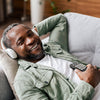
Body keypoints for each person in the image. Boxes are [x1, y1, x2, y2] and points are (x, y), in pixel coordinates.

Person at [2, 13, 100, 100]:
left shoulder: (53, 47)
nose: (30, 40)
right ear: (12, 53)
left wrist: (35, 30)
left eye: (30, 34)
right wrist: (88, 84)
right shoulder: (24, 81)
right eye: (21, 42)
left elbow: (60, 19)